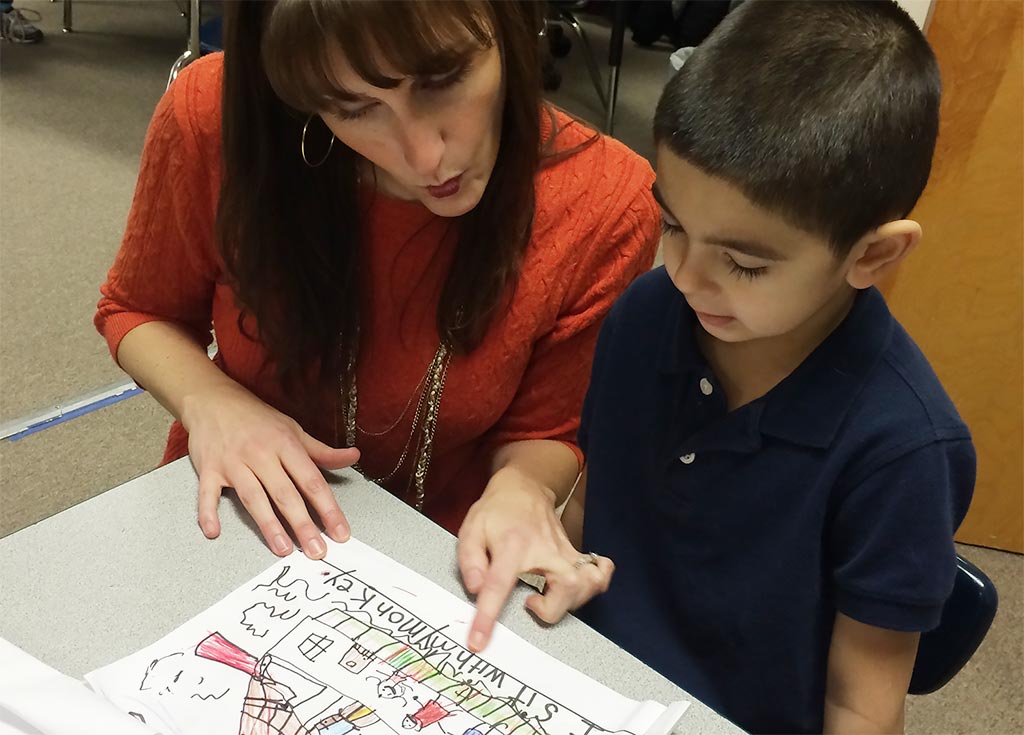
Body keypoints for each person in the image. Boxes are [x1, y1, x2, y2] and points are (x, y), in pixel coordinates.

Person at [95, 0, 657, 653]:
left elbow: (546, 426)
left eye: (442, 78)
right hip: (233, 520)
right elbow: (137, 308)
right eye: (354, 108)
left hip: (442, 572)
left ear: (512, 24)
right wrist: (214, 403)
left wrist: (524, 488)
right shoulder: (215, 114)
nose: (423, 155)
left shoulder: (607, 200)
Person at [558, 2, 975, 733]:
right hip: (580, 682)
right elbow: (588, 512)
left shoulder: (903, 452)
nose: (684, 275)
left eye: (744, 264)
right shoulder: (648, 313)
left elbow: (861, 706)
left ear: (871, 256)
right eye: (674, 225)